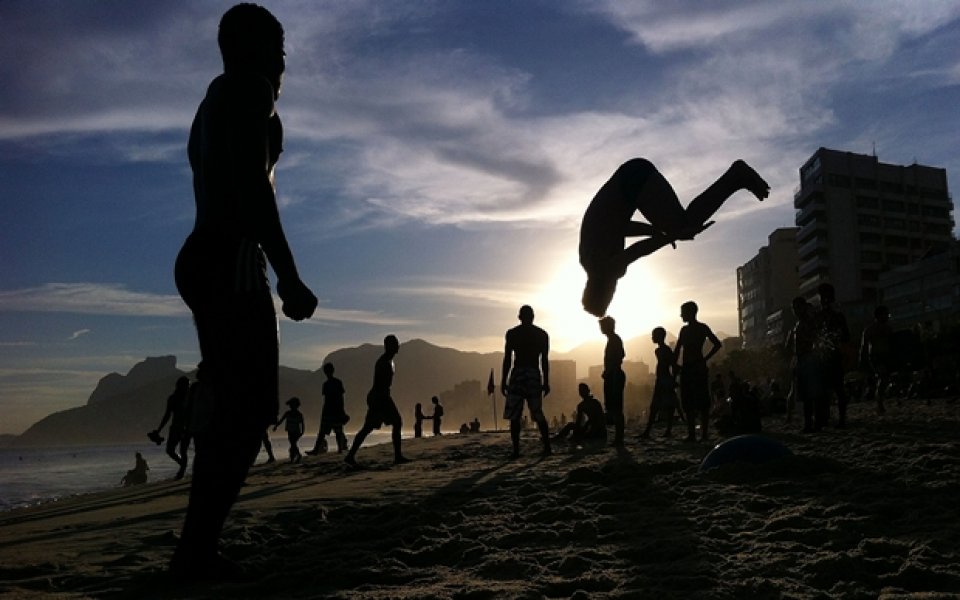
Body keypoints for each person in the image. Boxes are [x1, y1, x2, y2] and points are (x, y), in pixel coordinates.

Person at [171, 3, 318, 579]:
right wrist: (288, 273)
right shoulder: (251, 90)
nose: (283, 69)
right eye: (280, 55)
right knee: (249, 407)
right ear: (257, 53)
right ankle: (196, 551)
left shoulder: (210, 105)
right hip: (230, 257)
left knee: (237, 404)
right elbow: (254, 190)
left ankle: (197, 547)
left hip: (205, 257)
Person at [579, 158, 769, 317]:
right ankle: (736, 179)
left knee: (684, 226)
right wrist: (657, 232)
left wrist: (671, 235)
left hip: (632, 182)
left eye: (609, 298)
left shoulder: (604, 271)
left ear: (603, 293)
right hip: (631, 176)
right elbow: (618, 227)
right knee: (680, 226)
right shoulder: (588, 259)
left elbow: (637, 250)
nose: (613, 295)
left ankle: (736, 176)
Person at [345, 335, 410, 467]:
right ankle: (351, 456)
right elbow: (380, 384)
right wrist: (379, 404)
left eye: (397, 344)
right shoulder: (383, 362)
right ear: (388, 346)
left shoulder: (390, 361)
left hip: (382, 397)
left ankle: (351, 455)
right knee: (372, 427)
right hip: (379, 397)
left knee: (389, 424)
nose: (398, 346)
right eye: (395, 344)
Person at [501, 305, 552, 459]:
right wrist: (546, 381)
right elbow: (544, 360)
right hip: (533, 373)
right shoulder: (542, 334)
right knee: (537, 412)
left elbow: (508, 359)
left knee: (515, 416)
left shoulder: (512, 334)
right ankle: (547, 447)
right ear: (533, 317)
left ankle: (516, 451)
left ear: (519, 317)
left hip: (517, 373)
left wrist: (504, 380)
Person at [673, 301, 721, 442]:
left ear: (690, 312)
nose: (681, 315)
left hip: (693, 368)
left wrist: (704, 359)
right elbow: (677, 349)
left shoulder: (693, 329)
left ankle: (698, 434)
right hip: (692, 367)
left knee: (698, 401)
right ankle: (696, 434)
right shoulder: (694, 329)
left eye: (683, 312)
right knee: (692, 401)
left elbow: (717, 344)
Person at [815, 283, 851, 428]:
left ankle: (833, 418)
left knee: (833, 389)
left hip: (828, 355)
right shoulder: (835, 315)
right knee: (835, 389)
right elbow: (846, 336)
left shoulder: (828, 316)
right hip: (829, 355)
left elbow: (846, 336)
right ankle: (835, 418)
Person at [785, 296, 823, 432]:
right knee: (806, 395)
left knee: (811, 394)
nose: (795, 310)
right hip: (801, 360)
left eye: (797, 307)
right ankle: (810, 424)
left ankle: (814, 424)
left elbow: (815, 340)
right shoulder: (798, 324)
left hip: (809, 359)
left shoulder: (809, 322)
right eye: (794, 308)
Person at [151, 376, 192, 479]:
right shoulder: (173, 398)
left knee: (183, 450)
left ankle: (181, 471)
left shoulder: (190, 397)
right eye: (186, 385)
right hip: (175, 427)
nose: (187, 387)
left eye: (188, 385)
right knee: (170, 450)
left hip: (187, 428)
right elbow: (167, 415)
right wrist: (159, 429)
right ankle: (183, 465)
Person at [641, 326, 678, 439]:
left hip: (665, 380)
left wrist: (672, 380)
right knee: (658, 406)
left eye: (654, 335)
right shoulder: (659, 350)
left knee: (664, 406)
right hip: (662, 380)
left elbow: (673, 366)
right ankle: (653, 431)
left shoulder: (665, 350)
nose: (652, 337)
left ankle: (662, 430)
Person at [307, 362, 350, 454]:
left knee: (325, 432)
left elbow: (333, 399)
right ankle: (338, 449)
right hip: (333, 410)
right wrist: (342, 410)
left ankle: (317, 450)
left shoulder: (327, 384)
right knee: (335, 431)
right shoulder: (335, 383)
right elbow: (340, 398)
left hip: (330, 410)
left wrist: (341, 410)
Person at [860, 305, 894, 416]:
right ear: (879, 315)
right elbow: (864, 346)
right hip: (876, 357)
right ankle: (879, 404)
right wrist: (862, 360)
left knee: (885, 379)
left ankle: (880, 402)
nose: (887, 317)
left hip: (886, 356)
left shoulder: (888, 328)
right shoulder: (870, 329)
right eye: (885, 314)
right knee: (883, 378)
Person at [599, 316, 626, 446]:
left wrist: (609, 371)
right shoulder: (612, 340)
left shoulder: (615, 340)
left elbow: (618, 358)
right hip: (612, 376)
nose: (601, 328)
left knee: (616, 407)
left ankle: (619, 438)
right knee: (613, 407)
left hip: (615, 376)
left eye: (602, 326)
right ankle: (618, 437)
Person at [555, 383, 607, 447]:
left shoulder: (594, 403)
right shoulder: (582, 405)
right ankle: (559, 437)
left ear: (587, 391)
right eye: (581, 391)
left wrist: (583, 429)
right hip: (593, 429)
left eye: (583, 391)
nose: (582, 393)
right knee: (570, 425)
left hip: (598, 431)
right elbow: (578, 422)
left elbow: (599, 419)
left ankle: (559, 438)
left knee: (577, 433)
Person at [274, 397, 305, 463]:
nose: (290, 406)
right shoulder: (287, 413)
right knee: (293, 444)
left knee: (293, 444)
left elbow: (302, 424)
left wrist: (302, 432)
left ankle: (297, 456)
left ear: (296, 405)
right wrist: (276, 426)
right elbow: (281, 420)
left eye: (292, 405)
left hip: (296, 432)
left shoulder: (299, 414)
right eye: (290, 405)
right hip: (290, 431)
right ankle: (293, 457)